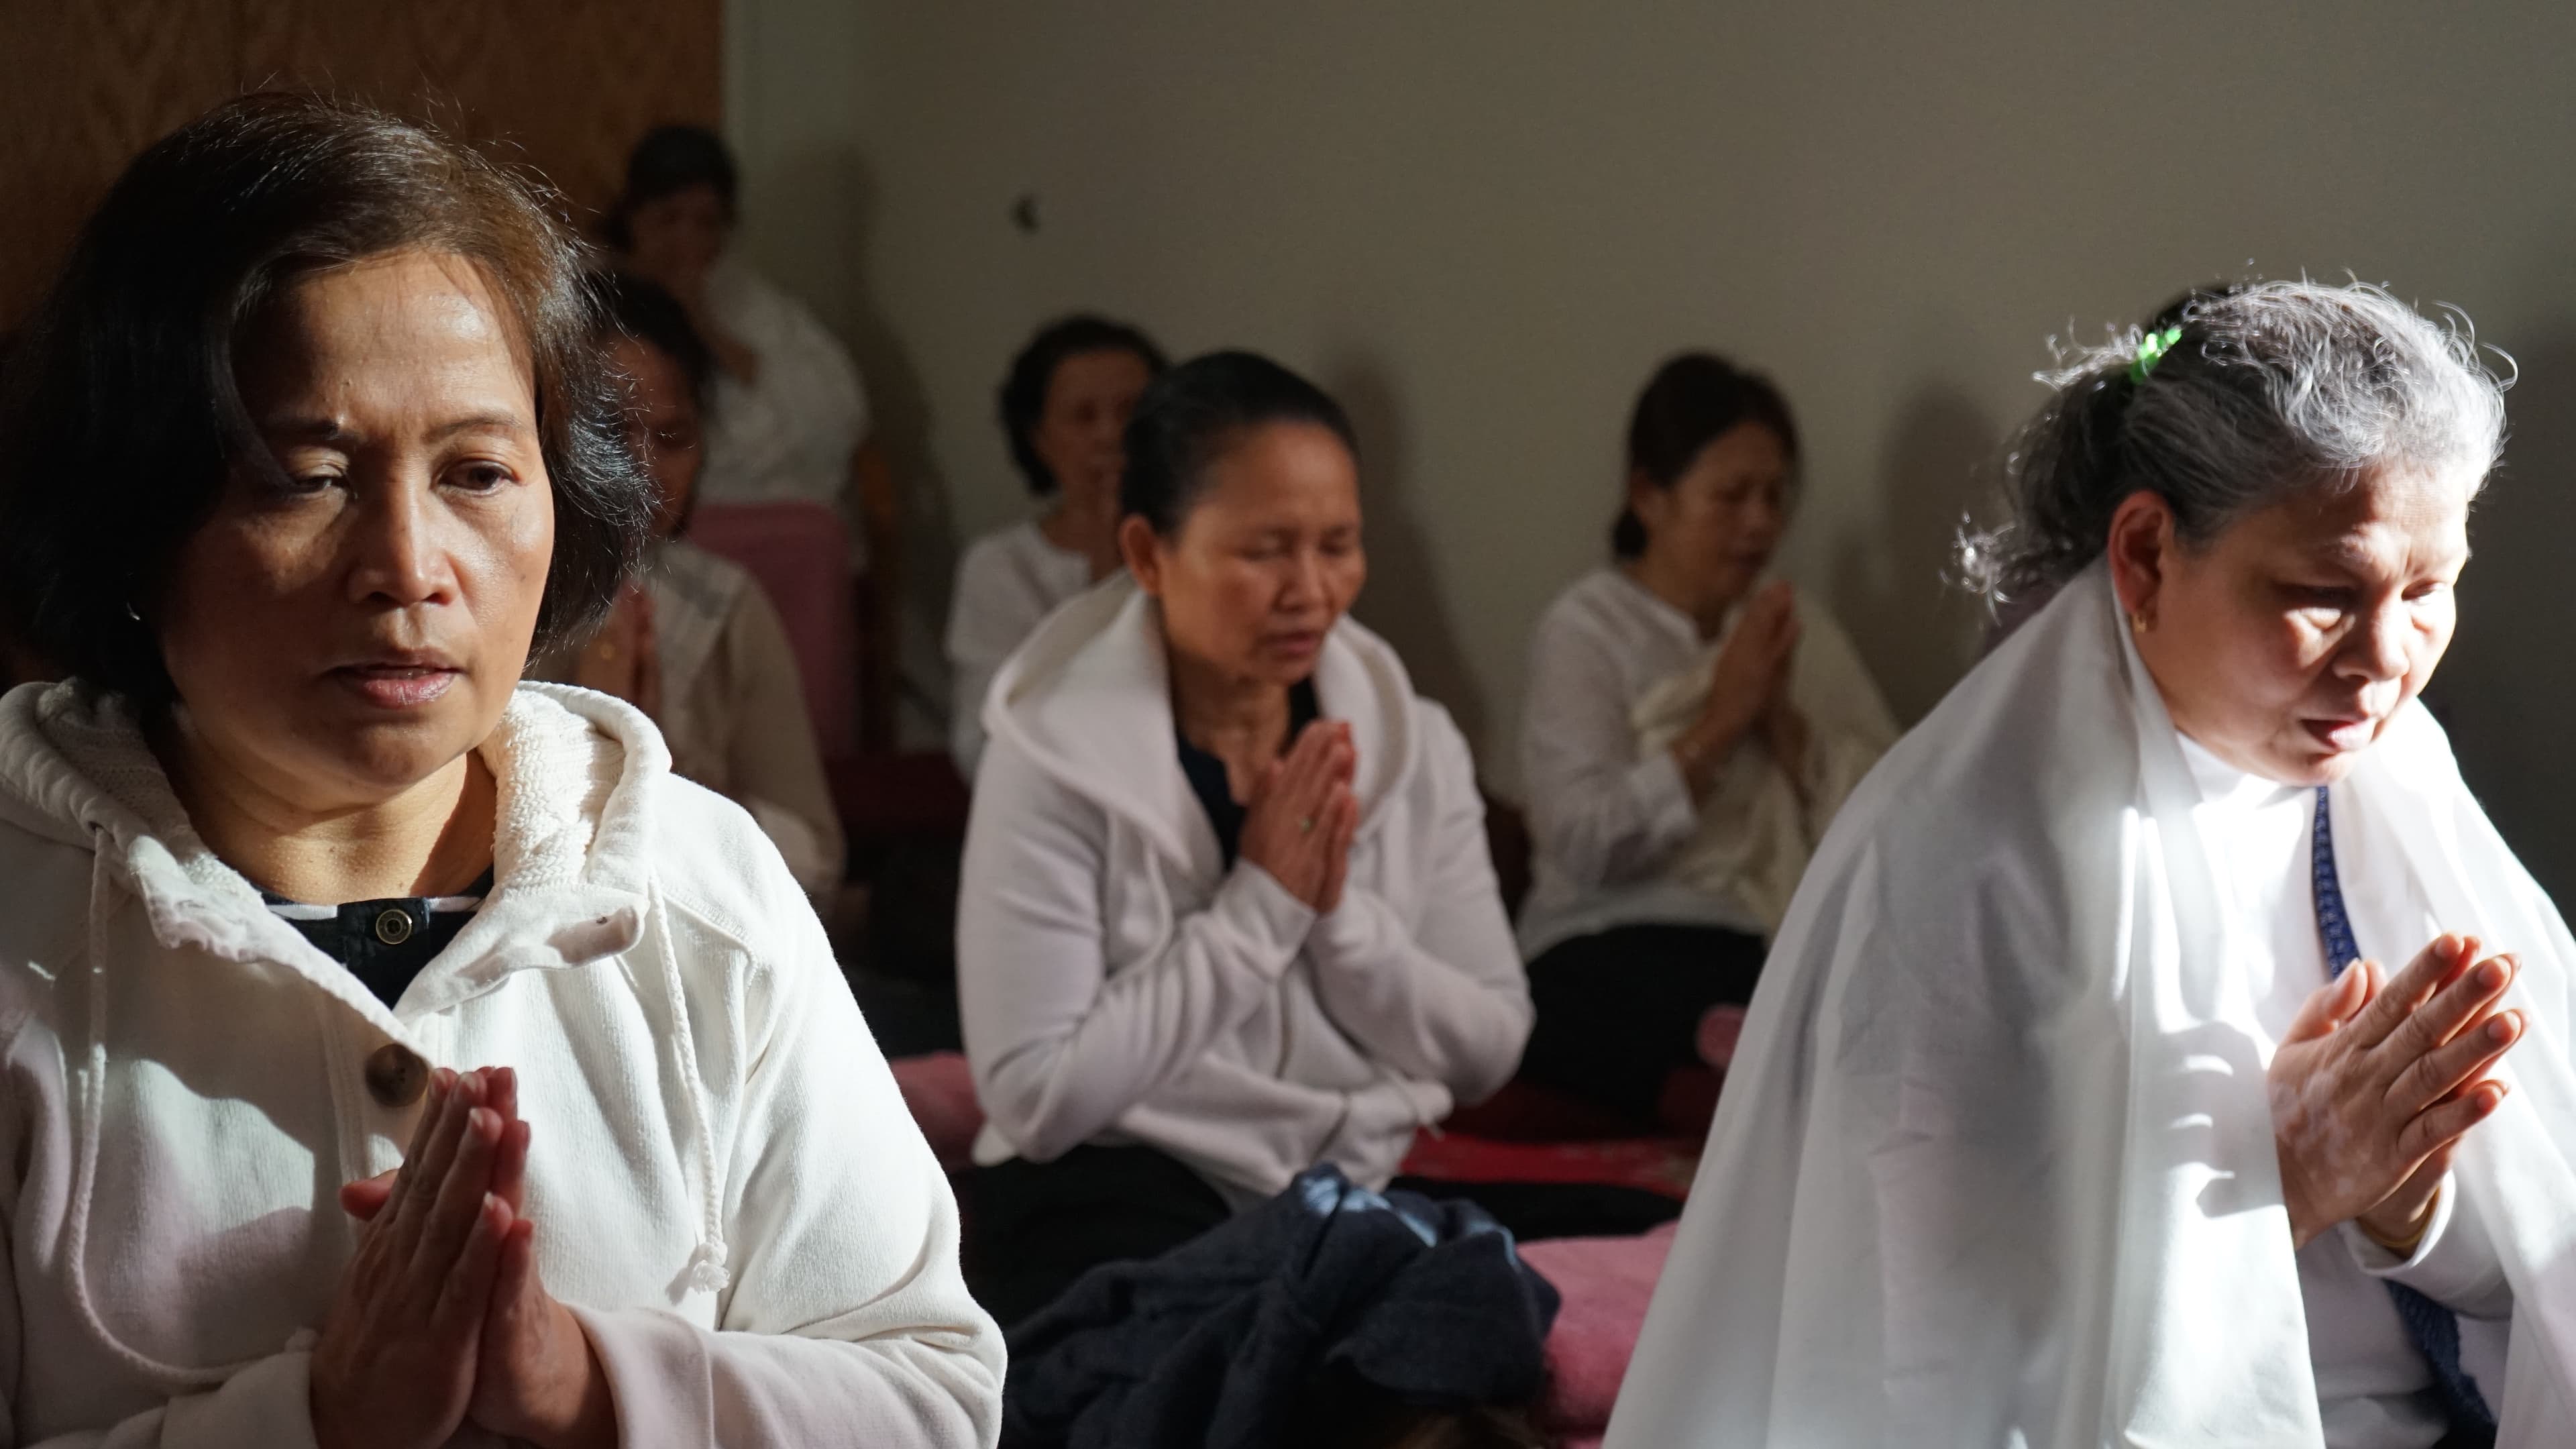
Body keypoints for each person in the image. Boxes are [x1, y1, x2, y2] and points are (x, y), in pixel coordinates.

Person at [0, 95, 1000, 1446]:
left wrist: (589, 1387)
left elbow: (931, 1398)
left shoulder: (701, 890)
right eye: (305, 478)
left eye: (476, 472)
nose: (409, 567)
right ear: (130, 512)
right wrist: (314, 1421)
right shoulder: (29, 928)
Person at [1607, 281, 2575, 1448]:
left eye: (2430, 591)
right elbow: (1914, 1364)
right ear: (2148, 554)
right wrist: (2288, 1183)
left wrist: (2404, 1211)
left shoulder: (2396, 785)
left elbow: (2531, 1276)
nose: (2385, 662)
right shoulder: (1963, 855)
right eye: (2325, 594)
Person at [955, 351, 1538, 1328]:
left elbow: (1491, 1046)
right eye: (1265, 551)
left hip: (1346, 1187)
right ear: (1147, 556)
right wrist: (1262, 910)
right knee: (1175, 1345)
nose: (1311, 590)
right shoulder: (1052, 754)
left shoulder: (1411, 743)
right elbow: (1036, 1096)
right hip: (1122, 1187)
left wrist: (1337, 920)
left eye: (1339, 545)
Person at [1515, 353, 1897, 1124]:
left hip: (1758, 938)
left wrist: (1786, 734)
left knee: (1881, 979)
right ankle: (1721, 1074)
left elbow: (1889, 820)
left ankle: (1729, 1062)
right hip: (1614, 935)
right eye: (1730, 497)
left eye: (1773, 496)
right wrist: (1722, 722)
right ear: (1649, 496)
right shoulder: (1586, 631)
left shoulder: (1796, 625)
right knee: (1562, 1006)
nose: (1760, 522)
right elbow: (1585, 841)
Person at [533, 272, 847, 896]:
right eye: (611, 433)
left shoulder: (724, 607)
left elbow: (816, 861)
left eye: (673, 438)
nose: (645, 473)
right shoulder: (485, 598)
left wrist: (666, 774)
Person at [606, 125, 879, 548]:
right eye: (669, 219)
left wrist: (707, 327)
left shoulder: (751, 303)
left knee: (815, 536)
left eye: (706, 223)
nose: (688, 241)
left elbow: (841, 416)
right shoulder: (589, 291)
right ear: (633, 218)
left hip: (749, 505)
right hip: (626, 504)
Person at [945, 314, 1167, 777]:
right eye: (1084, 416)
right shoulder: (1000, 566)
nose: (1110, 435)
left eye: (1130, 411)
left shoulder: (1197, 553)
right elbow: (978, 746)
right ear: (1041, 438)